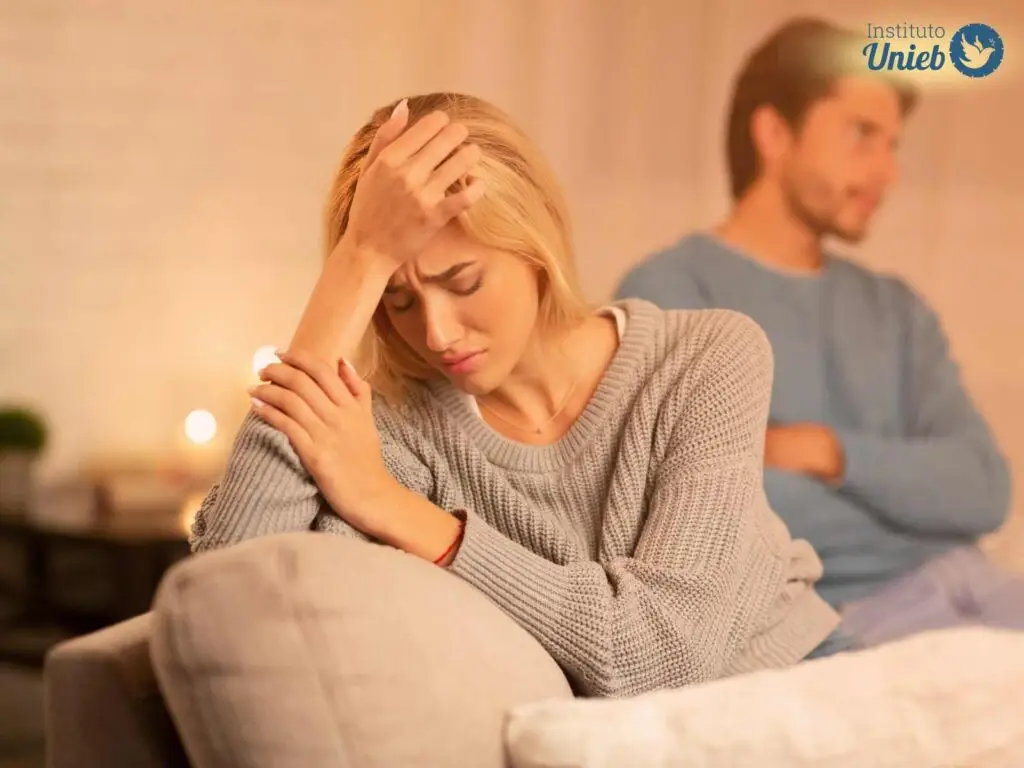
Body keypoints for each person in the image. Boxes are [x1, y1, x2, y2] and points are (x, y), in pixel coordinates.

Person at [188, 91, 839, 697]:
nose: (436, 333)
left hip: (793, 686)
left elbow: (661, 655)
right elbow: (223, 607)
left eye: (463, 279)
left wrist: (387, 504)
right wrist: (356, 261)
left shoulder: (706, 358)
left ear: (535, 246)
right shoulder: (389, 429)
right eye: (398, 299)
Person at [614, 18, 1018, 651]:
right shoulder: (669, 293)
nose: (887, 172)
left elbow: (985, 488)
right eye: (862, 135)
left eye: (893, 145)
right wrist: (912, 501)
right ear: (775, 134)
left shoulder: (896, 308)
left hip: (983, 588)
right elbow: (707, 514)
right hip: (837, 618)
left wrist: (822, 450)